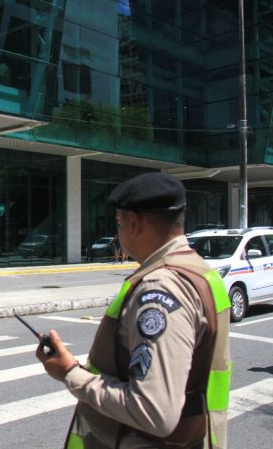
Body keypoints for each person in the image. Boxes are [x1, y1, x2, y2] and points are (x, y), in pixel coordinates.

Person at [36, 172, 231, 449]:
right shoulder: (200, 271)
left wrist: (70, 373)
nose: (119, 230)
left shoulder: (161, 288)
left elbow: (154, 411)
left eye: (118, 222)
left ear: (133, 222)